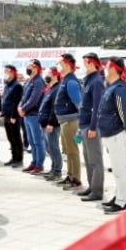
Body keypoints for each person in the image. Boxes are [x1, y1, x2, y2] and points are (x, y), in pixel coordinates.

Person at [98, 57, 126, 214]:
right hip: (109, 133)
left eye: (107, 66)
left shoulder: (119, 88)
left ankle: (121, 201)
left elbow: (123, 112)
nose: (105, 68)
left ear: (113, 68)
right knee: (116, 169)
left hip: (117, 133)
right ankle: (117, 195)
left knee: (119, 169)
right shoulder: (111, 86)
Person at [77, 52, 105, 201]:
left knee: (95, 160)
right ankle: (91, 186)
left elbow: (97, 107)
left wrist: (93, 127)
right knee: (88, 160)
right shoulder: (87, 81)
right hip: (84, 124)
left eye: (85, 63)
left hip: (91, 125)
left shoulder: (97, 82)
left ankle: (97, 191)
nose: (84, 66)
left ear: (92, 63)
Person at [54, 53, 83, 190]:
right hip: (65, 121)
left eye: (61, 64)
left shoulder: (71, 82)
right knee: (68, 151)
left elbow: (78, 102)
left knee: (73, 151)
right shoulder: (65, 80)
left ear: (67, 65)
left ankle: (76, 179)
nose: (59, 66)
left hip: (71, 121)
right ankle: (70, 175)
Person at [18, 59, 46, 174]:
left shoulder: (39, 81)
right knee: (31, 141)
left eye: (31, 66)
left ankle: (39, 164)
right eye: (28, 66)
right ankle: (34, 162)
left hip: (34, 114)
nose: (28, 68)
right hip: (27, 115)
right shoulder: (30, 80)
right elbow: (24, 96)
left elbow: (34, 99)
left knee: (37, 141)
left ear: (37, 68)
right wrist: (20, 107)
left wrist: (23, 109)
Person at [38, 67, 63, 181]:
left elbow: (55, 108)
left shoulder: (57, 89)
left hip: (51, 124)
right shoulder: (50, 89)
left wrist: (51, 123)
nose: (46, 76)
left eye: (49, 74)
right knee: (49, 147)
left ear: (54, 75)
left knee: (54, 147)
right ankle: (53, 168)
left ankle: (57, 170)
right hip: (45, 124)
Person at [1, 65, 24, 167]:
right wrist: (2, 114)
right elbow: (4, 101)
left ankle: (18, 159)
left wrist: (14, 116)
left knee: (16, 137)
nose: (5, 73)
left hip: (13, 116)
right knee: (10, 138)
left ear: (13, 73)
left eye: (7, 71)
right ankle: (13, 157)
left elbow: (17, 102)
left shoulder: (17, 86)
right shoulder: (7, 85)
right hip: (6, 115)